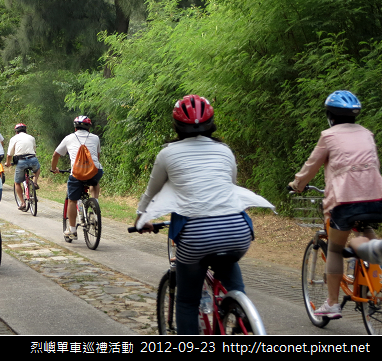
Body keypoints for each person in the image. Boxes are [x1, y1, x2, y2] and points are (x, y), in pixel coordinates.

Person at [133, 95, 274, 335]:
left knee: (187, 301)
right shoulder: (225, 151)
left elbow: (151, 193)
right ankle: (241, 314)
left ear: (176, 126)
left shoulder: (167, 154)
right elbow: (229, 189)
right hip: (237, 229)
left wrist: (140, 219)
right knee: (229, 268)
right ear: (211, 123)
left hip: (197, 234)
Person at [289, 90, 382, 319]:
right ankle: (373, 249)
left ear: (329, 115)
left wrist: (297, 184)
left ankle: (331, 303)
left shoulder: (328, 136)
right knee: (365, 225)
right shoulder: (367, 134)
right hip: (377, 197)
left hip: (345, 200)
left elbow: (312, 165)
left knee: (335, 249)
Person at [51, 115, 103, 239]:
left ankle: (73, 230)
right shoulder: (95, 138)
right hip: (95, 170)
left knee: (72, 200)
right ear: (89, 128)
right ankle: (95, 203)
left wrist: (54, 169)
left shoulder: (69, 138)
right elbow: (97, 155)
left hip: (77, 173)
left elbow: (55, 155)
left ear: (75, 128)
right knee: (94, 182)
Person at [4, 123, 41, 212]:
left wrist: (8, 163)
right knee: (37, 169)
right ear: (26, 131)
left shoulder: (14, 138)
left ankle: (23, 203)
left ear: (16, 132)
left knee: (17, 183)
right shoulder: (31, 137)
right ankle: (35, 182)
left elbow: (9, 155)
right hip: (32, 159)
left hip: (21, 161)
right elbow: (34, 150)